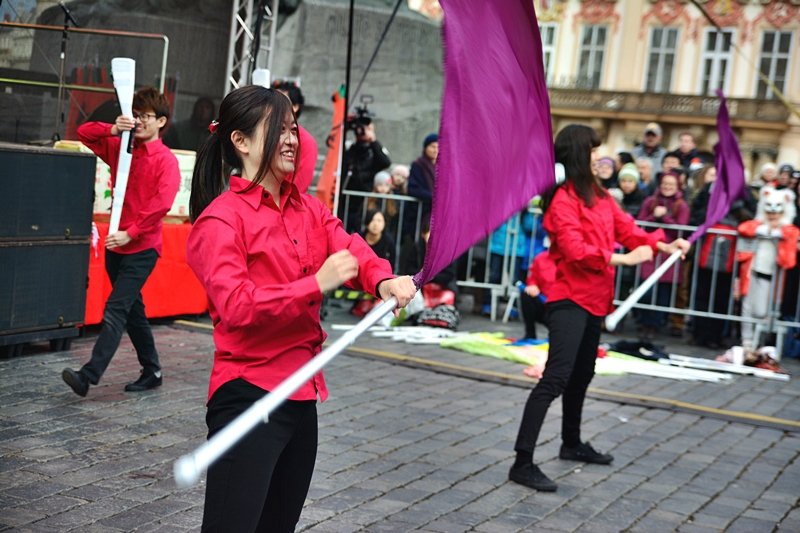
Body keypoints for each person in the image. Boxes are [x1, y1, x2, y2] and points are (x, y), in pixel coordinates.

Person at [184, 85, 416, 532]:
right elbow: (236, 306)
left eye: (294, 128)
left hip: (301, 398)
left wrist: (383, 279)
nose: (292, 139)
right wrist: (315, 283)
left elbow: (351, 247)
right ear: (242, 141)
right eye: (280, 129)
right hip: (249, 397)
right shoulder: (220, 220)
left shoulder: (308, 209)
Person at [509, 124, 689, 493]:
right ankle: (522, 462)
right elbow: (575, 251)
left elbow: (629, 230)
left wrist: (664, 245)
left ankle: (571, 443)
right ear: (578, 154)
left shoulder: (601, 195)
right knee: (556, 378)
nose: (598, 156)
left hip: (594, 297)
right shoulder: (562, 200)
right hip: (567, 297)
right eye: (593, 150)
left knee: (583, 373)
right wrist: (621, 261)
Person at [62, 87, 181, 397]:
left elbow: (162, 203)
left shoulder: (166, 161)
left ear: (161, 122)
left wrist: (132, 231)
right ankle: (152, 369)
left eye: (145, 116)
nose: (139, 120)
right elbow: (85, 133)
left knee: (116, 308)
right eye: (136, 114)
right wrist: (114, 128)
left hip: (142, 247)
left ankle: (88, 376)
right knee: (132, 311)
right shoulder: (122, 148)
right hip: (118, 244)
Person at [737, 186, 799, 353]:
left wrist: (778, 232)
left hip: (772, 277)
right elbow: (744, 228)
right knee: (747, 308)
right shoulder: (758, 225)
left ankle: (760, 343)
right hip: (752, 272)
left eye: (777, 211)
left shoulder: (789, 230)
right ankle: (747, 342)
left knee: (762, 311)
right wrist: (763, 229)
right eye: (769, 210)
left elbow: (789, 256)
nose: (773, 214)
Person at [635, 171, 690, 338]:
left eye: (671, 185)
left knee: (663, 292)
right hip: (651, 249)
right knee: (646, 289)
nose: (667, 187)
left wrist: (664, 217)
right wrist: (654, 216)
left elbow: (681, 228)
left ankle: (656, 324)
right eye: (665, 184)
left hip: (669, 252)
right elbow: (641, 223)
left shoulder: (681, 205)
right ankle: (644, 322)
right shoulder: (649, 201)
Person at [341, 116, 391, 232]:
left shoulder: (374, 150)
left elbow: (386, 162)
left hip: (366, 200)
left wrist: (373, 141)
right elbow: (342, 162)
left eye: (368, 129)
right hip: (347, 200)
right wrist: (345, 129)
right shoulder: (351, 149)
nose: (363, 131)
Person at [273, 79, 319, 194]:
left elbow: (300, 184)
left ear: (295, 106)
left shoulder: (307, 141)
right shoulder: (264, 132)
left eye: (281, 102)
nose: (274, 106)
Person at [405, 133, 439, 243]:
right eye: (433, 146)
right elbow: (413, 189)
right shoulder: (418, 165)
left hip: (436, 213)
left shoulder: (442, 167)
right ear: (426, 148)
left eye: (438, 147)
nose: (435, 150)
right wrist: (434, 197)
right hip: (420, 213)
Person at [519, 249, 555, 340]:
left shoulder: (571, 261)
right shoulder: (541, 258)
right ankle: (530, 334)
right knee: (526, 294)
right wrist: (532, 285)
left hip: (562, 307)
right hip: (544, 304)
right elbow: (532, 278)